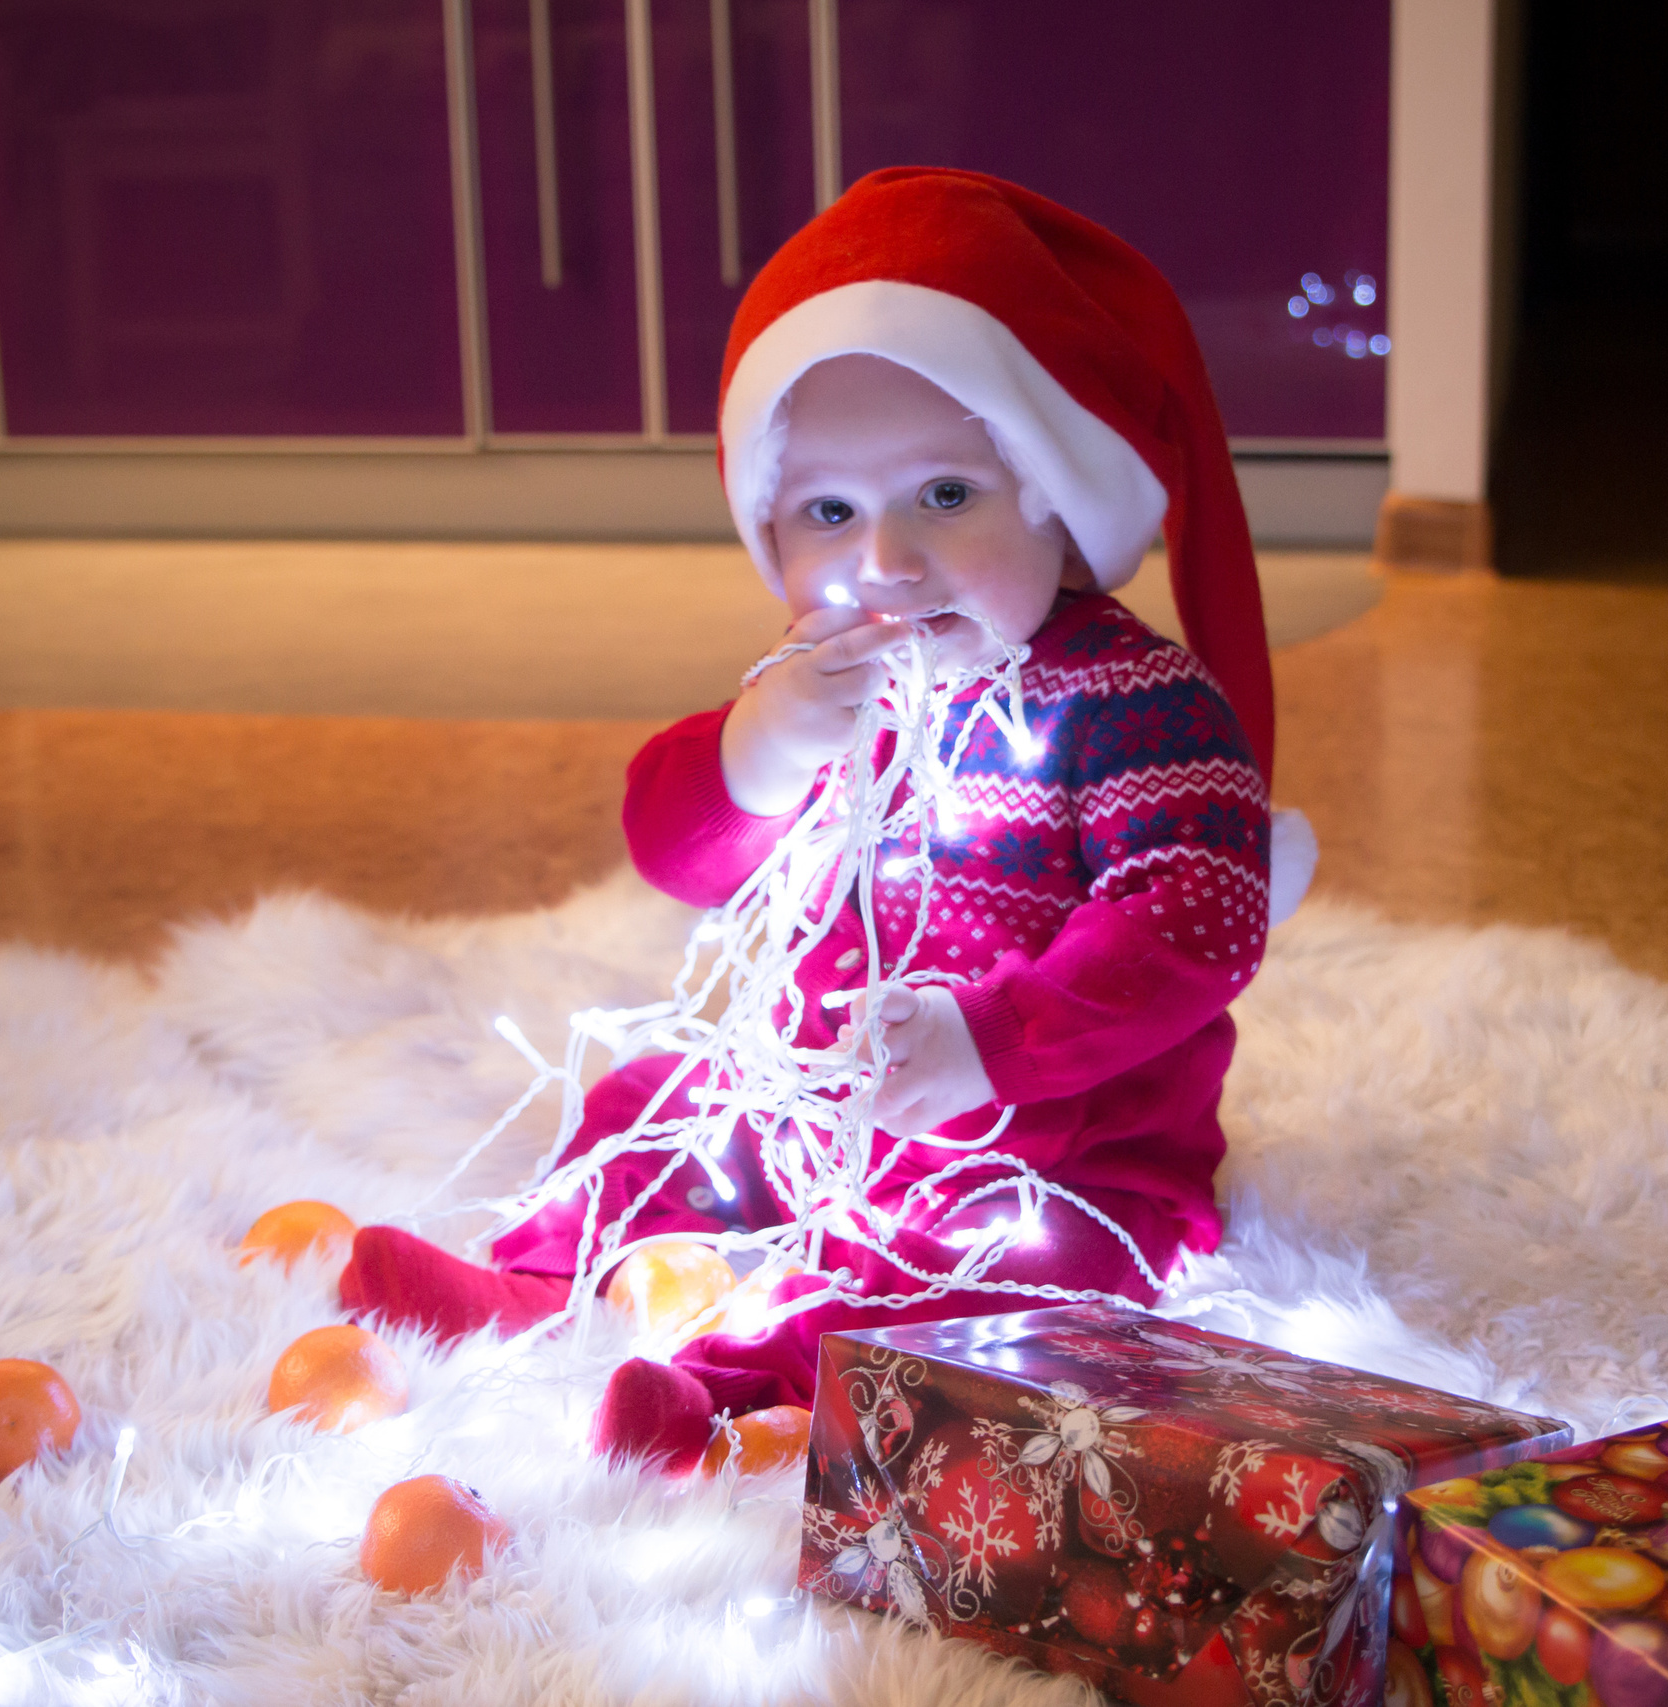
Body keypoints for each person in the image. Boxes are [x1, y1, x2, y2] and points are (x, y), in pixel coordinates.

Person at [337, 168, 1312, 1469]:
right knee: (648, 1106)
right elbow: (676, 850)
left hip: (1050, 1149)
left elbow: (1193, 918)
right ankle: (536, 1280)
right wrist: (761, 744)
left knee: (1008, 1287)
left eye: (947, 495)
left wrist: (992, 1039)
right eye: (831, 512)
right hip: (809, 1097)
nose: (887, 562)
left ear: (1054, 495)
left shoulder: (1136, 701)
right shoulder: (822, 686)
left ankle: (745, 1392)